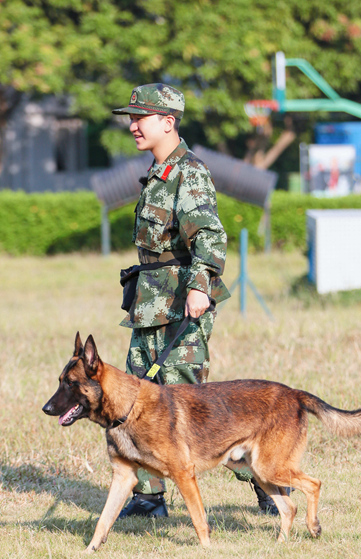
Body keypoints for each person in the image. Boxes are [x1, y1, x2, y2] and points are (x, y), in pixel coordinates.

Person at [112, 83, 282, 518]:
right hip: (149, 303)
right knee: (138, 402)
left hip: (183, 303)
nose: (132, 125)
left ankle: (266, 481)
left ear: (168, 122)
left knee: (191, 409)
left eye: (141, 117)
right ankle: (150, 497)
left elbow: (209, 235)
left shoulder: (189, 172)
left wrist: (199, 286)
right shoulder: (157, 173)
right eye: (131, 117)